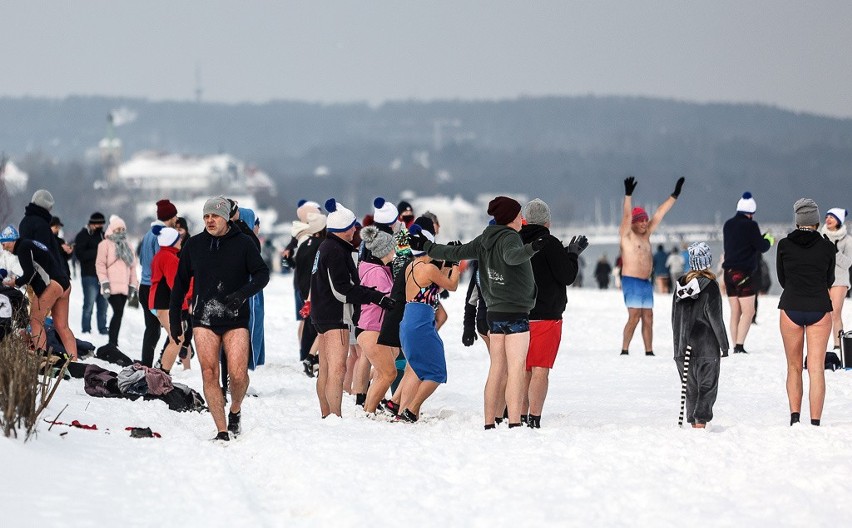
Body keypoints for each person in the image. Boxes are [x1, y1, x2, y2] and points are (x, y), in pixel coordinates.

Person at [409, 196, 541, 429]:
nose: (522, 219)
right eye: (519, 214)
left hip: (493, 313)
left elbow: (455, 252)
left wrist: (427, 247)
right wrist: (532, 247)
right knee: (516, 368)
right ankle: (514, 422)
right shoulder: (510, 237)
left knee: (497, 368)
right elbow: (512, 256)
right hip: (515, 312)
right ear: (511, 217)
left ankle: (489, 422)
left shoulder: (484, 239)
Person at [170, 196, 269, 441]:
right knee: (209, 373)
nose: (210, 220)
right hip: (204, 318)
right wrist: (175, 320)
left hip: (235, 319)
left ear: (226, 217)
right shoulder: (194, 245)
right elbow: (180, 285)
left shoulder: (244, 243)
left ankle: (235, 409)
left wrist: (242, 295)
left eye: (215, 216)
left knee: (237, 374)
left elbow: (262, 274)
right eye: (206, 216)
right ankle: (222, 430)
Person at [310, 198, 396, 418]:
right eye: (352, 227)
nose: (355, 231)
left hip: (320, 313)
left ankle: (326, 414)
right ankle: (334, 416)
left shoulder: (325, 247)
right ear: (344, 228)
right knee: (337, 369)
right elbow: (342, 289)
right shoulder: (336, 250)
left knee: (326, 370)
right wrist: (376, 297)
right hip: (335, 315)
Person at [518, 199, 584, 428]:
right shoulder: (550, 243)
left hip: (518, 315)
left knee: (523, 369)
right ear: (547, 221)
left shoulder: (515, 241)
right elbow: (567, 276)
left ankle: (520, 415)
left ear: (524, 220)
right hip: (547, 316)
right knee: (540, 370)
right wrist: (573, 255)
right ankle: (534, 419)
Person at [776, 199, 835, 426]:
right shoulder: (828, 247)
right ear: (817, 221)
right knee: (816, 368)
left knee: (793, 366)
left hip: (790, 306)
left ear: (798, 220)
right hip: (819, 308)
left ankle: (794, 417)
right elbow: (829, 279)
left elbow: (782, 279)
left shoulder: (783, 245)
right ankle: (815, 421)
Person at [396, 231, 460, 422]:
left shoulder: (412, 267)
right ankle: (411, 409)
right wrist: (456, 263)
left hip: (409, 321)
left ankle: (405, 411)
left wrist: (448, 264)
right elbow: (452, 286)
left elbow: (435, 286)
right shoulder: (428, 268)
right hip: (420, 324)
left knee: (416, 368)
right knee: (437, 372)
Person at [619, 176, 685, 356]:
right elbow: (626, 216)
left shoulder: (646, 235)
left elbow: (659, 214)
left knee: (648, 316)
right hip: (631, 281)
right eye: (640, 221)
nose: (644, 223)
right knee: (634, 316)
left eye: (645, 221)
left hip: (645, 282)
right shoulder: (627, 235)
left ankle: (649, 351)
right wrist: (628, 195)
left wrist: (674, 195)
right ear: (633, 222)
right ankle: (625, 349)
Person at [672, 242, 729, 429]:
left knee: (691, 390)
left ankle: (693, 428)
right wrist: (724, 345)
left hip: (683, 348)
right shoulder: (710, 286)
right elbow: (715, 319)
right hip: (706, 348)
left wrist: (678, 347)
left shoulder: (680, 286)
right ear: (707, 261)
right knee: (707, 388)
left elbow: (675, 319)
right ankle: (700, 425)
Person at [1, 225, 77, 361]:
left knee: (35, 320)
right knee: (62, 326)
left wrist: (15, 283)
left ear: (12, 240)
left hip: (52, 284)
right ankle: (73, 361)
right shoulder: (29, 244)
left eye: (4, 243)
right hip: (64, 283)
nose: (3, 247)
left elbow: (30, 273)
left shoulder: (23, 247)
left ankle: (41, 358)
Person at [722, 192, 773, 354]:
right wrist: (769, 239)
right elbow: (762, 246)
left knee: (735, 311)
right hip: (742, 273)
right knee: (749, 311)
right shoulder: (751, 226)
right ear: (751, 212)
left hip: (728, 273)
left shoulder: (728, 224)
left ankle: (734, 343)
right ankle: (739, 346)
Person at [356, 226, 399, 414]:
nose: (395, 250)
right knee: (389, 373)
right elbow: (390, 300)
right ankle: (369, 410)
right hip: (371, 328)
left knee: (386, 367)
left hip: (374, 328)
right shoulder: (376, 272)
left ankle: (368, 407)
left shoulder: (379, 268)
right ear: (384, 250)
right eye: (392, 247)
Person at [138, 199, 179, 367]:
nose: (177, 219)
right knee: (174, 330)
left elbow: (141, 260)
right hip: (157, 289)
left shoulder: (148, 234)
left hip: (144, 286)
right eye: (175, 216)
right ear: (170, 217)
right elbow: (161, 263)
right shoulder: (162, 235)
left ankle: (147, 365)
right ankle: (161, 365)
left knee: (152, 330)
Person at [95, 215, 139, 349]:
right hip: (111, 286)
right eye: (117, 228)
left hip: (124, 287)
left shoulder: (128, 245)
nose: (120, 231)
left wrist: (133, 285)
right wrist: (104, 282)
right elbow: (100, 265)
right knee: (118, 311)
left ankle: (113, 341)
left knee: (119, 313)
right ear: (112, 229)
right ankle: (112, 342)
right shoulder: (104, 245)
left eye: (122, 228)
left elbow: (132, 267)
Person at [149, 227, 184, 374]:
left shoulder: (162, 255)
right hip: (163, 302)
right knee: (177, 338)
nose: (181, 240)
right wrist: (185, 301)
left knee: (176, 338)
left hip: (159, 301)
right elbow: (175, 284)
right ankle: (163, 374)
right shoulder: (169, 258)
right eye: (179, 238)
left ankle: (162, 372)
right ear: (172, 241)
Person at [818, 208, 851, 353]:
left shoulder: (847, 240)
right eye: (827, 216)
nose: (828, 219)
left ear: (839, 220)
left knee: (835, 312)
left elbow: (848, 263)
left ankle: (838, 344)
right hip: (823, 279)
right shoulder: (820, 236)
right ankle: (821, 342)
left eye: (832, 217)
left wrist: (834, 252)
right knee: (823, 313)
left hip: (840, 279)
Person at [75, 212, 108, 335]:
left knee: (103, 305)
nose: (100, 226)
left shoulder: (104, 236)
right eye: (98, 224)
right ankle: (86, 328)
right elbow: (80, 255)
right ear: (92, 223)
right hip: (89, 275)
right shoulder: (83, 235)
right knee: (89, 304)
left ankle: (103, 328)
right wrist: (98, 251)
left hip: (103, 276)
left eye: (102, 224)